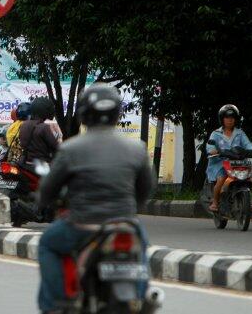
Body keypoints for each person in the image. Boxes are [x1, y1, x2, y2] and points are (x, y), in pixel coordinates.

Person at [36, 83, 156, 313]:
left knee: (47, 243)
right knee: (140, 246)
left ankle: (53, 305)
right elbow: (145, 190)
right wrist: (131, 211)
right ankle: (142, 296)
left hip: (83, 224)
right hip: (125, 223)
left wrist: (42, 201)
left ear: (84, 114)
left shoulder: (71, 149)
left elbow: (48, 189)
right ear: (116, 114)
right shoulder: (137, 148)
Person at [206, 104, 252, 212]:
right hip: (221, 163)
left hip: (238, 163)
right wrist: (212, 150)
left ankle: (248, 201)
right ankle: (215, 202)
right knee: (221, 179)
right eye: (227, 118)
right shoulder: (216, 134)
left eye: (232, 118)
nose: (230, 120)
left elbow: (248, 144)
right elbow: (210, 146)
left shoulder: (240, 133)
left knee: (248, 179)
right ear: (222, 119)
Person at [19, 97, 60, 166]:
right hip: (43, 165)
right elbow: (56, 147)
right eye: (49, 109)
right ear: (44, 111)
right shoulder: (44, 127)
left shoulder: (24, 125)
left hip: (27, 163)